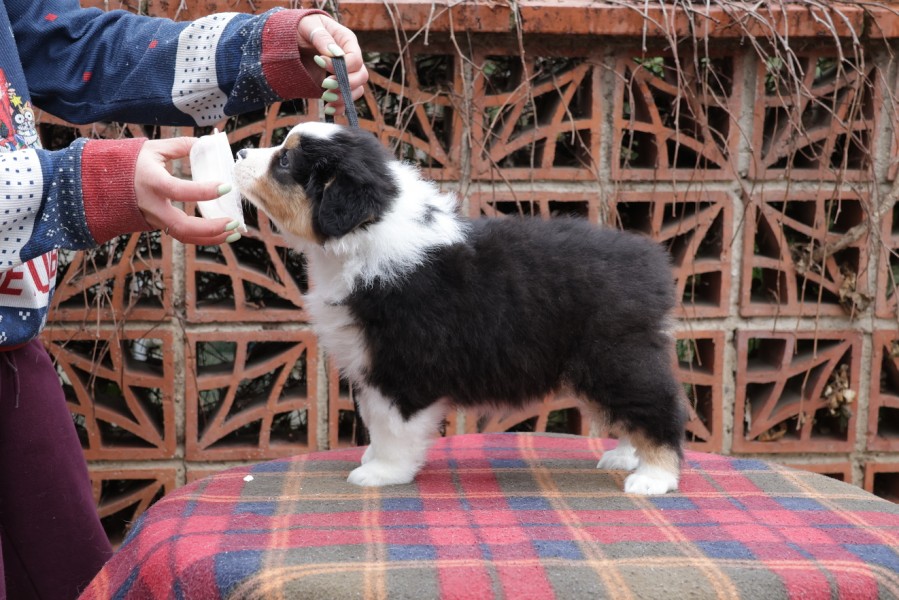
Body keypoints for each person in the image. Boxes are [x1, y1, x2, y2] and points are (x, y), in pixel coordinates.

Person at [0, 2, 368, 598]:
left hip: (12, 356)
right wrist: (79, 186)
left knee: (80, 580)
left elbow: (71, 44)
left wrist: (264, 47)